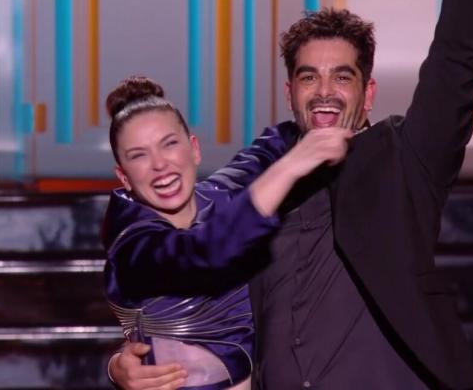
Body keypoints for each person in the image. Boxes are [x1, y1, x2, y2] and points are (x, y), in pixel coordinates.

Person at [110, 0, 473, 388]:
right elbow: (183, 270)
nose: (324, 91)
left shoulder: (405, 159)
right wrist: (122, 363)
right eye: (309, 77)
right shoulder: (263, 178)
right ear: (290, 93)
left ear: (368, 94)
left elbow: (455, 56)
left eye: (342, 77)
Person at [102, 76, 353, 389]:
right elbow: (204, 252)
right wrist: (289, 168)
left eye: (169, 144)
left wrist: (326, 116)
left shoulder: (220, 196)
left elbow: (269, 150)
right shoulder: (130, 241)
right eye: (139, 155)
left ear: (194, 149)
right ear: (124, 177)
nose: (159, 164)